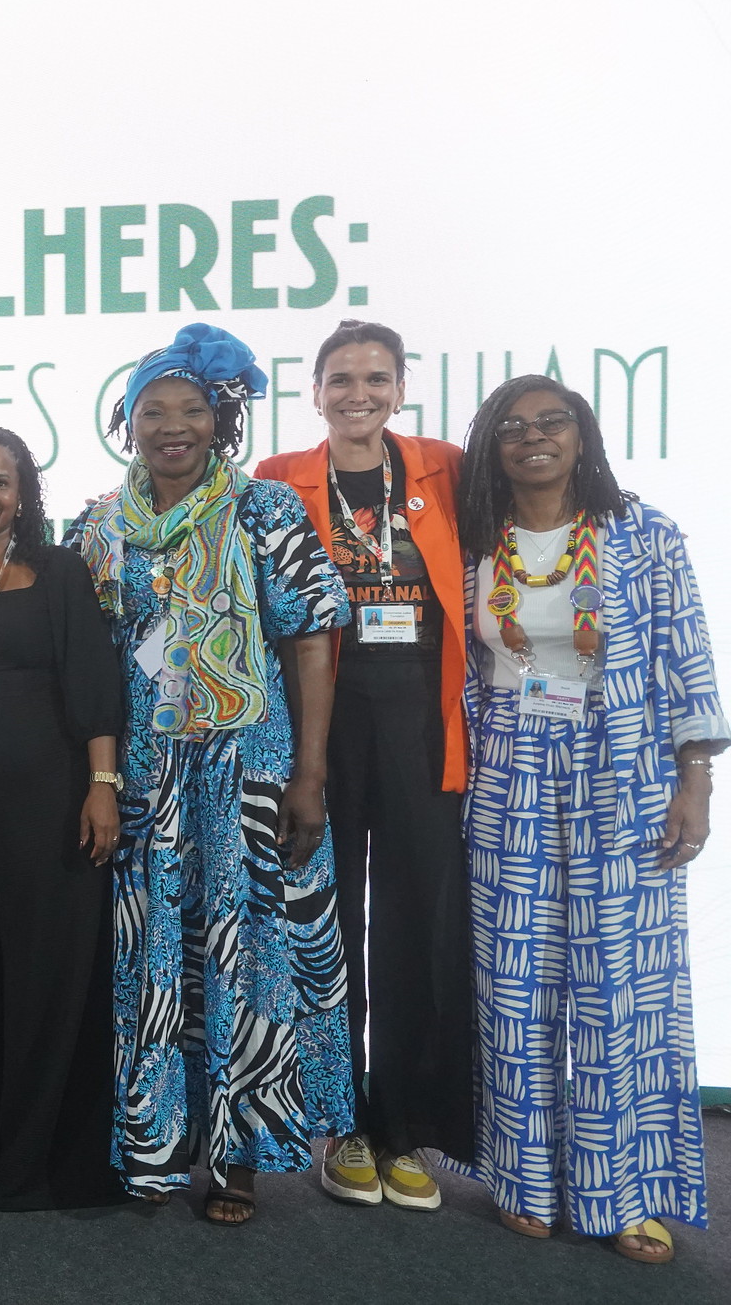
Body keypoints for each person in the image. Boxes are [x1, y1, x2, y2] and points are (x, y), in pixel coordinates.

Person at [66, 323, 353, 1225]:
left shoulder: (266, 510)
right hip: (148, 777)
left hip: (249, 768)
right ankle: (156, 1144)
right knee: (157, 959)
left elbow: (310, 640)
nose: (173, 425)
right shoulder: (99, 525)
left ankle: (237, 1159)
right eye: (154, 410)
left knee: (249, 957)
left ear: (222, 418)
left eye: (192, 409)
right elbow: (85, 658)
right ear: (127, 421)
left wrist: (310, 773)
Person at [458, 375, 724, 1264]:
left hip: (624, 773)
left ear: (583, 435)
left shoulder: (641, 533)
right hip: (509, 778)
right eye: (512, 427)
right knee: (514, 985)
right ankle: (525, 1177)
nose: (533, 438)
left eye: (552, 422)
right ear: (491, 446)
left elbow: (687, 653)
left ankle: (627, 1189)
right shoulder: (471, 543)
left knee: (623, 987)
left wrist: (697, 780)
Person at [255, 319, 476, 1210]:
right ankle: (340, 1123)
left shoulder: (443, 467)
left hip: (421, 711)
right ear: (314, 391)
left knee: (420, 917)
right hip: (324, 715)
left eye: (376, 377)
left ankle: (404, 1124)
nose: (359, 392)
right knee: (326, 917)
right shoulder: (277, 480)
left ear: (400, 386)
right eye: (340, 378)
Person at [0, 428, 126, 1211]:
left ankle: (35, 1160)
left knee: (44, 975)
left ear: (23, 492)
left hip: (50, 808)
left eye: (0, 481)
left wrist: (102, 782)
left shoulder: (61, 571)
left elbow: (93, 683)